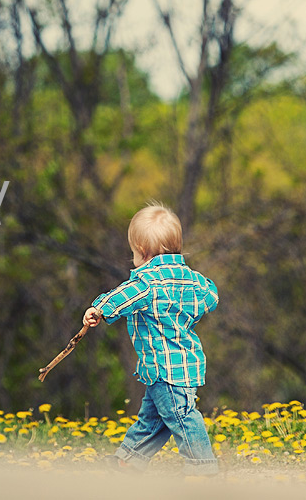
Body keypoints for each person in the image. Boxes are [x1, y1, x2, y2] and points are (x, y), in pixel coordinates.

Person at [83, 202, 220, 475]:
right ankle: (128, 460)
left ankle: (203, 467)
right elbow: (211, 295)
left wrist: (99, 309)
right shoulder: (193, 280)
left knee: (182, 418)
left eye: (133, 251)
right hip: (185, 364)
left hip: (164, 368)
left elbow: (123, 296)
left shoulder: (146, 282)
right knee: (153, 419)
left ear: (142, 252)